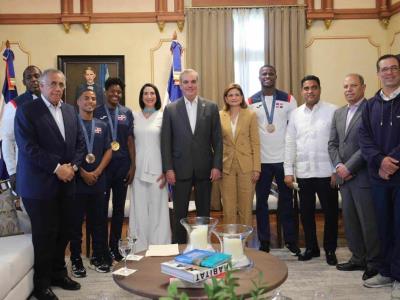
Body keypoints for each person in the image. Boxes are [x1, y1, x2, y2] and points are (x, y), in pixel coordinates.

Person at [14, 69, 85, 300]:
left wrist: (73, 167)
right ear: (41, 86)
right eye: (52, 84)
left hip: (67, 183)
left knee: (64, 231)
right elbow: (28, 148)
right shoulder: (27, 111)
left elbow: (80, 145)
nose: (57, 88)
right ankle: (41, 284)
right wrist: (58, 168)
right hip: (38, 186)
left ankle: (58, 274)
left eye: (61, 84)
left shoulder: (70, 111)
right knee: (45, 235)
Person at [161, 69, 223, 244]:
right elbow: (166, 142)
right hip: (180, 170)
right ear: (180, 85)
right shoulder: (171, 109)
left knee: (204, 214)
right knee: (180, 213)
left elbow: (217, 140)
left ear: (197, 83)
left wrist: (217, 165)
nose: (190, 85)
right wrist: (168, 168)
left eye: (193, 82)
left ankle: (202, 246)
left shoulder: (210, 107)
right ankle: (179, 248)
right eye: (186, 82)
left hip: (205, 169)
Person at [328, 73, 380, 280]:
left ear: (363, 87)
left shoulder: (372, 109)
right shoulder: (339, 113)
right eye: (345, 86)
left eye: (353, 86)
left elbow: (369, 144)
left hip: (363, 176)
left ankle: (374, 262)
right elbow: (332, 143)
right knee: (350, 221)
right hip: (344, 177)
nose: (349, 89)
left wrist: (349, 167)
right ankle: (357, 257)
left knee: (368, 221)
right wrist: (339, 165)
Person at [284, 75, 339, 266]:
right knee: (306, 214)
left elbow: (337, 143)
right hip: (304, 173)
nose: (310, 91)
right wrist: (288, 171)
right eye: (306, 88)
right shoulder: (295, 114)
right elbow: (290, 143)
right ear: (302, 91)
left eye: (314, 87)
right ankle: (311, 247)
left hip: (327, 173)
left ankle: (330, 249)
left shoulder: (333, 111)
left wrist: (336, 170)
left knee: (331, 214)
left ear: (320, 89)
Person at [359, 54, 400, 299]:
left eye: (394, 68)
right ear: (378, 74)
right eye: (384, 69)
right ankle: (386, 271)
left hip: (398, 176)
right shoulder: (370, 105)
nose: (389, 73)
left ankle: (399, 275)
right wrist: (379, 161)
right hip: (378, 177)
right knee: (383, 225)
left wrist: (391, 160)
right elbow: (364, 138)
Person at [248, 65, 300, 254]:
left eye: (270, 73)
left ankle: (291, 241)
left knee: (287, 202)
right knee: (261, 203)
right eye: (264, 74)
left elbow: (294, 130)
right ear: (259, 77)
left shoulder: (288, 99)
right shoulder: (251, 101)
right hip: (261, 162)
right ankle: (264, 241)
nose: (267, 76)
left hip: (283, 160)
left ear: (276, 76)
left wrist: (292, 162)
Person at [69, 89, 112, 277]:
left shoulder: (102, 125)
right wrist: (83, 172)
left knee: (99, 222)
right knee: (75, 224)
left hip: (98, 181)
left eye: (93, 98)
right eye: (86, 98)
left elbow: (109, 150)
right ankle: (76, 259)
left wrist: (97, 171)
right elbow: (67, 152)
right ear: (77, 101)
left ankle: (97, 256)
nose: (90, 101)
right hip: (77, 182)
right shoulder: (71, 124)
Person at [94, 77, 135, 264]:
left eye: (119, 92)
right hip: (103, 168)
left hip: (122, 167)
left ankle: (115, 247)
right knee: (101, 210)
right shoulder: (96, 111)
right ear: (106, 91)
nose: (116, 94)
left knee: (119, 210)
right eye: (113, 91)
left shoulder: (126, 112)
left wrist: (133, 165)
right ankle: (101, 249)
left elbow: (129, 141)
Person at [129, 83, 171, 252]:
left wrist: (166, 169)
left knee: (158, 210)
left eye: (152, 93)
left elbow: (168, 145)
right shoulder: (134, 116)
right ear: (141, 97)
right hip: (138, 170)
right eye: (145, 93)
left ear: (157, 97)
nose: (149, 96)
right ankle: (139, 247)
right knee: (139, 210)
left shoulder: (163, 116)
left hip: (158, 171)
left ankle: (159, 247)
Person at [219, 83, 260, 228]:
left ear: (242, 97)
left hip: (247, 166)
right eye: (230, 95)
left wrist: (256, 168)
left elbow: (255, 143)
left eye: (237, 94)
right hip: (226, 166)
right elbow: (216, 143)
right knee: (228, 208)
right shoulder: (219, 115)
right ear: (225, 98)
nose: (234, 97)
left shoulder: (250, 115)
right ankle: (230, 242)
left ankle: (245, 245)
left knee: (245, 208)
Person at [2, 65, 41, 192]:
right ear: (24, 82)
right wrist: (12, 172)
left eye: (37, 76)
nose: (34, 80)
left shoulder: (52, 102)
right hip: (25, 168)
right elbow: (7, 139)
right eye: (29, 77)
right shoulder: (14, 105)